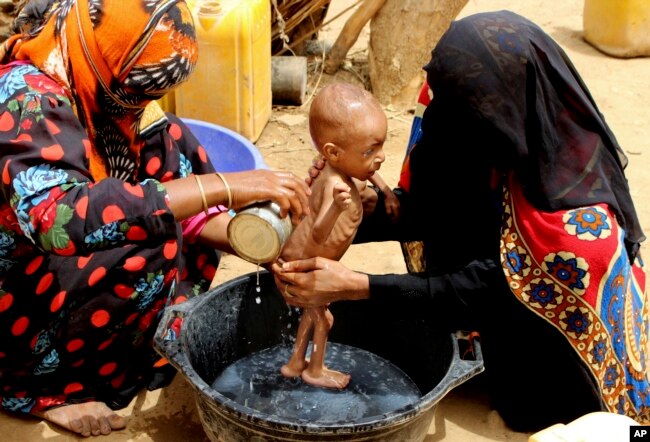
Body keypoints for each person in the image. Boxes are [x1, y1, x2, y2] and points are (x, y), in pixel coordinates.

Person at [272, 10, 649, 432]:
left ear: (502, 101)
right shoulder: (463, 123)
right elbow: (432, 209)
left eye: (462, 104)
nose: (441, 114)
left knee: (533, 406)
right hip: (494, 275)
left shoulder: (575, 209)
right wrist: (336, 215)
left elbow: (499, 287)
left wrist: (359, 286)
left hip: (551, 340)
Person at [0, 0, 310, 437]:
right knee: (151, 236)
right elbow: (58, 221)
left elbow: (182, 200)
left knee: (173, 164)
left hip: (58, 268)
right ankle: (45, 387)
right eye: (133, 92)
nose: (139, 105)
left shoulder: (112, 88)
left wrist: (265, 243)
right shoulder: (24, 96)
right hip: (17, 285)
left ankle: (134, 353)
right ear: (106, 55)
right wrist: (222, 185)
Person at [277, 82, 388, 389]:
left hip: (309, 260)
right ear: (333, 153)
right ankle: (314, 369)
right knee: (323, 319)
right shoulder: (333, 185)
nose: (380, 158)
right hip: (305, 263)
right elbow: (317, 232)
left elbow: (368, 170)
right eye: (370, 151)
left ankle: (295, 362)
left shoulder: (346, 164)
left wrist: (388, 192)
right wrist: (336, 209)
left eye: (381, 146)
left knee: (313, 317)